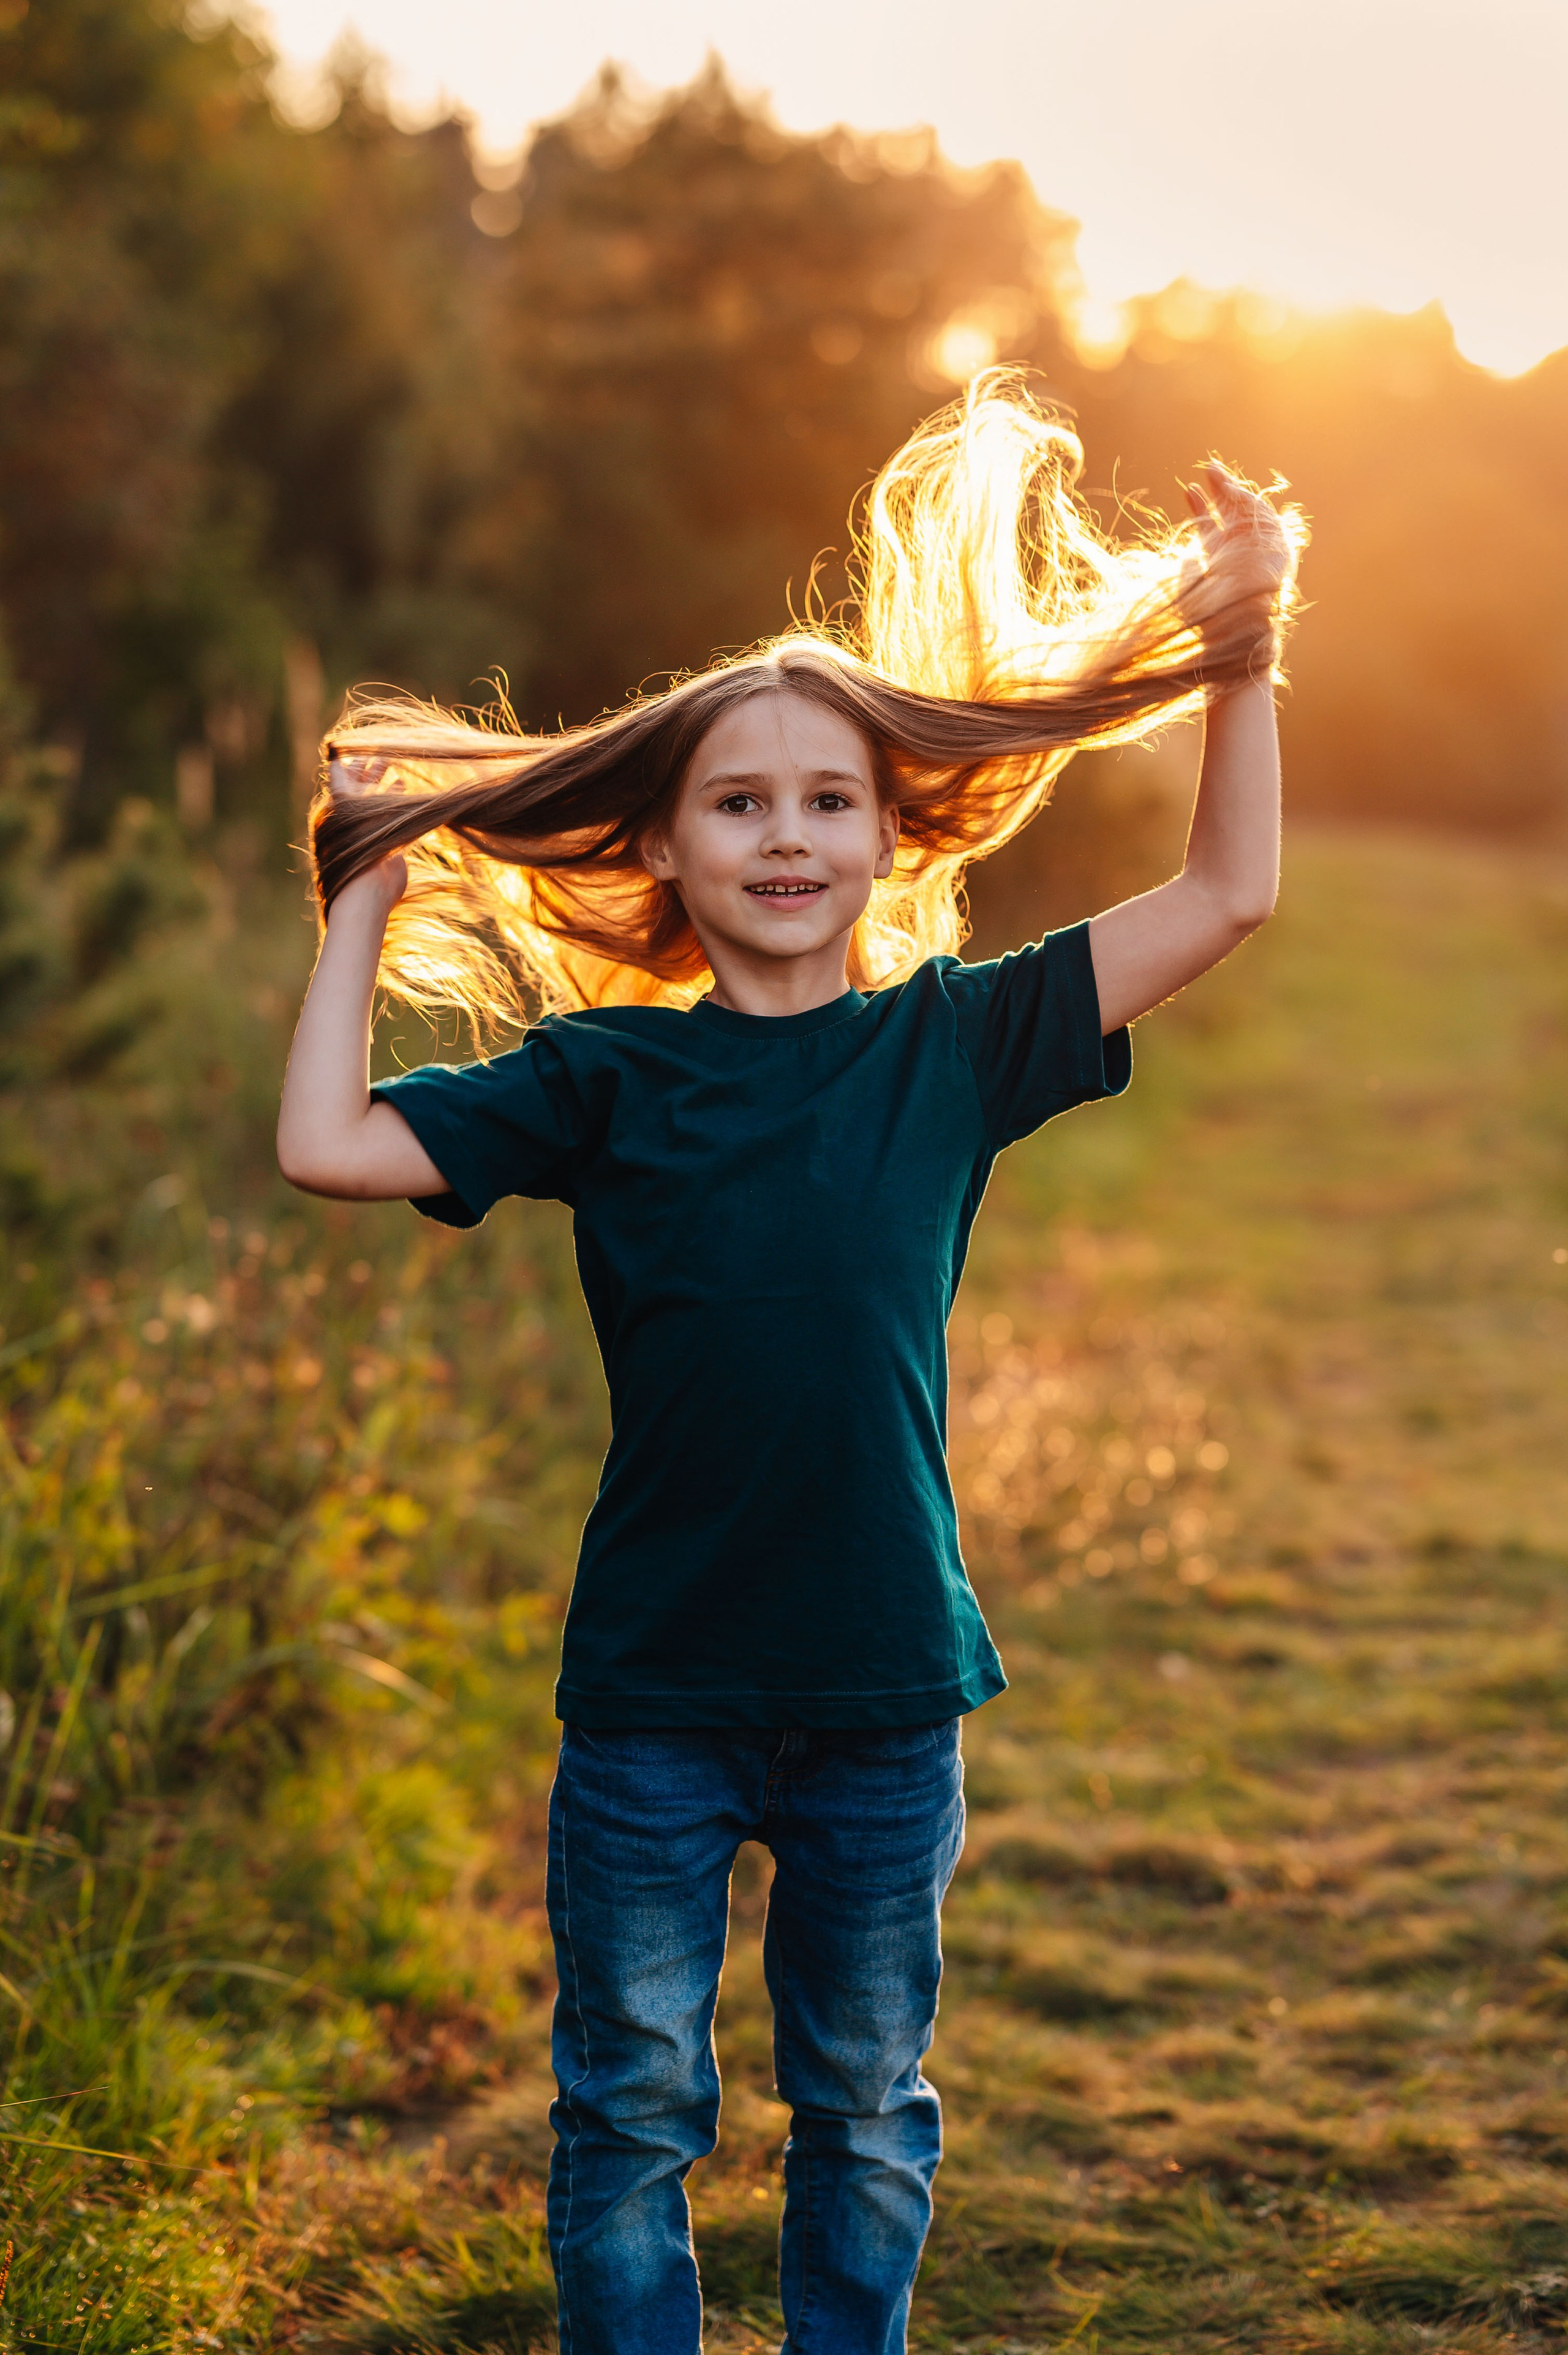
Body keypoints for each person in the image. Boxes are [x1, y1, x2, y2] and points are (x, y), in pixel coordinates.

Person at [276, 372, 1302, 2355]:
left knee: (865, 2110)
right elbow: (328, 1144)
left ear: (888, 831)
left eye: (828, 799)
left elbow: (1230, 895)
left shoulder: (956, 1046)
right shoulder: (606, 1077)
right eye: (740, 801)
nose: (787, 834)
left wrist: (1242, 650)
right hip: (654, 1693)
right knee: (629, 2112)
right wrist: (362, 901)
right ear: (664, 841)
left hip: (886, 1688)